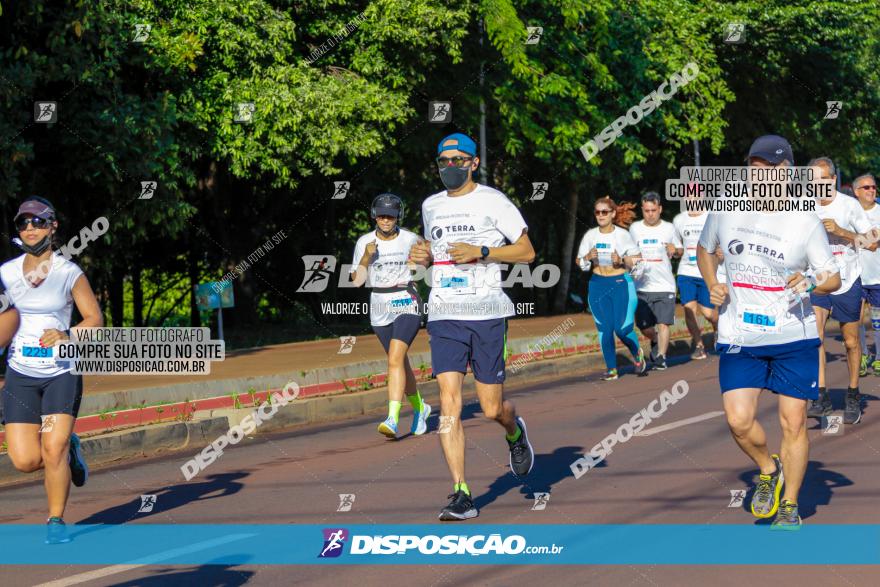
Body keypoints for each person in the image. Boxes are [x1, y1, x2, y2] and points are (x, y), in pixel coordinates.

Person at [698, 134, 841, 529]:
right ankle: (767, 468)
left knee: (793, 422)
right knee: (738, 421)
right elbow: (704, 249)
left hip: (792, 335)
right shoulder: (726, 208)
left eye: (767, 167)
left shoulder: (804, 221)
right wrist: (713, 282)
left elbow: (832, 278)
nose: (758, 174)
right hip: (739, 333)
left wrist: (811, 282)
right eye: (753, 166)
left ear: (786, 172)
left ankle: (790, 506)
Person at [408, 133, 535, 521]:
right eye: (443, 160)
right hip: (445, 313)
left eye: (458, 159)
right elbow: (433, 253)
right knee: (449, 401)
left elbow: (528, 252)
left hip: (486, 313)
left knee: (491, 407)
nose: (450, 166)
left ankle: (514, 431)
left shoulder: (493, 201)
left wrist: (482, 251)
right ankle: (461, 492)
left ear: (474, 163)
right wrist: (423, 256)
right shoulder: (431, 206)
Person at [0, 197, 104, 544]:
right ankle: (72, 446)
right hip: (21, 375)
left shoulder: (68, 272)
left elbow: (95, 320)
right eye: (23, 222)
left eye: (38, 221)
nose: (30, 228)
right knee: (26, 460)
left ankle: (55, 521)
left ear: (53, 226)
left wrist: (67, 333)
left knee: (51, 448)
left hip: (61, 371)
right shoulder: (7, 273)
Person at [350, 193, 431, 439]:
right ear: (374, 216)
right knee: (400, 362)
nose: (386, 220)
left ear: (398, 217)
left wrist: (419, 263)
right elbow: (357, 282)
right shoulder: (364, 242)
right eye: (382, 216)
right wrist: (366, 257)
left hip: (406, 299)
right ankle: (420, 408)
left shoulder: (410, 239)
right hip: (379, 304)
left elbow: (424, 265)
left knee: (395, 358)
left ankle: (392, 419)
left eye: (391, 216)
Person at [806, 158, 874, 425]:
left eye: (822, 180)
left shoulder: (849, 206)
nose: (817, 186)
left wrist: (842, 231)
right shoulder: (804, 206)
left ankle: (853, 393)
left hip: (847, 279)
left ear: (832, 180)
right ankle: (821, 396)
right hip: (819, 279)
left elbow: (872, 241)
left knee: (850, 342)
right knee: (816, 336)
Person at [576, 196, 647, 380]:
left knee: (622, 329)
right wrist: (587, 257)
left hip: (620, 284)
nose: (601, 215)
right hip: (598, 284)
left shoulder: (622, 235)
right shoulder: (590, 235)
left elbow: (638, 261)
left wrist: (621, 260)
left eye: (604, 212)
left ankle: (637, 354)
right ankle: (612, 369)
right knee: (604, 328)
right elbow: (579, 261)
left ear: (613, 213)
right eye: (598, 212)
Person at [628, 192, 682, 370]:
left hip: (664, 284)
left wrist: (675, 250)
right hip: (642, 286)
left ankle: (661, 356)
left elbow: (680, 250)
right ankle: (656, 340)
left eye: (653, 210)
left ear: (660, 209)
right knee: (644, 327)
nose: (650, 214)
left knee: (664, 323)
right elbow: (628, 253)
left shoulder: (669, 228)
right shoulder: (635, 229)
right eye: (646, 210)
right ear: (642, 210)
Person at [673, 207, 719, 360]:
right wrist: (675, 251)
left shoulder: (711, 216)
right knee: (689, 309)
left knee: (709, 314)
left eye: (696, 195)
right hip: (686, 271)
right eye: (689, 195)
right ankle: (699, 346)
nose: (692, 198)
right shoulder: (679, 219)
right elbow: (678, 248)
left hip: (705, 270)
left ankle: (718, 330)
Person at [852, 174, 880, 374]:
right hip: (856, 276)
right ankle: (861, 356)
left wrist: (846, 234)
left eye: (874, 187)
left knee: (877, 320)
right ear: (856, 192)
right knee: (857, 318)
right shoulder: (850, 212)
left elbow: (872, 241)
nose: (872, 190)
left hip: (878, 276)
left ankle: (878, 358)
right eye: (866, 187)